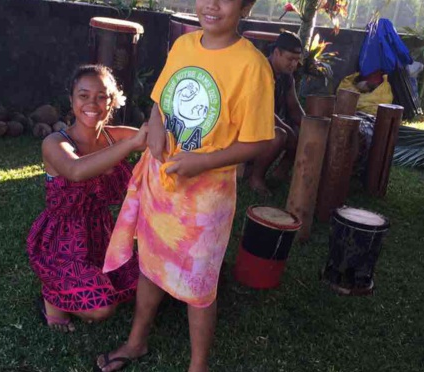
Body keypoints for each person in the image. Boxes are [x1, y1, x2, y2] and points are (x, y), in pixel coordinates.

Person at [94, 0, 275, 369]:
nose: (211, 5)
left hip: (207, 199)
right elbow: (160, 102)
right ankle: (136, 341)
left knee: (200, 286)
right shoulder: (184, 46)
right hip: (162, 187)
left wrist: (202, 161)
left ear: (246, 6)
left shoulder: (252, 66)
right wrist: (157, 126)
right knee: (151, 265)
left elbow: (258, 141)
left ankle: (198, 366)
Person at [26, 64, 147, 332]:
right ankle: (51, 297)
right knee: (101, 309)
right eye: (83, 95)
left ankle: (70, 287)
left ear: (112, 101)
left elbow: (155, 138)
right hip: (61, 239)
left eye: (101, 96)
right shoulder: (56, 143)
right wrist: (130, 145)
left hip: (100, 233)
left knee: (149, 280)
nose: (92, 103)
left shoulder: (113, 136)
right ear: (71, 100)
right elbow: (76, 171)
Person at [247, 30, 305, 196]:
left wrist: (311, 126)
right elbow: (260, 111)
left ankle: (280, 173)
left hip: (270, 122)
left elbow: (294, 108)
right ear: (277, 52)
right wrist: (288, 130)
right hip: (246, 126)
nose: (294, 64)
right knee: (279, 135)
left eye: (297, 60)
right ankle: (255, 178)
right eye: (290, 59)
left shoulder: (287, 78)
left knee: (304, 132)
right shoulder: (260, 71)